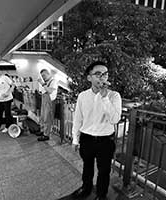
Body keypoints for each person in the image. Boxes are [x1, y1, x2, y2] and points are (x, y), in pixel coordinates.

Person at [71, 61, 122, 200]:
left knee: (104, 171)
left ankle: (101, 195)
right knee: (87, 167)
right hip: (86, 138)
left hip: (105, 140)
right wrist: (75, 139)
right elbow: (77, 119)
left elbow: (115, 120)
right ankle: (86, 189)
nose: (102, 77)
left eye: (105, 74)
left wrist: (104, 97)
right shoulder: (82, 96)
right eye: (98, 74)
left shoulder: (114, 96)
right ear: (89, 77)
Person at [37, 69, 58, 141]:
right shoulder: (46, 82)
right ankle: (42, 131)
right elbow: (42, 91)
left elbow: (50, 91)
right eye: (42, 76)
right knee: (42, 117)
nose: (43, 77)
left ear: (48, 74)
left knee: (47, 118)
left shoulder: (53, 81)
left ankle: (46, 135)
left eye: (44, 75)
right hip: (44, 100)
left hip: (50, 102)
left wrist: (42, 83)